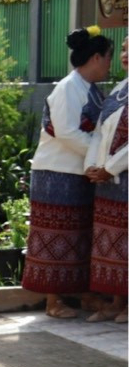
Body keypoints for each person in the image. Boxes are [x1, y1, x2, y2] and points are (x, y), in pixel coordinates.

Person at [24, 26, 113, 318]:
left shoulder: (89, 89)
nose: (111, 64)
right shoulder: (67, 87)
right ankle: (53, 301)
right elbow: (66, 132)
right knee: (57, 236)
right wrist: (101, 157)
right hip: (57, 174)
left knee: (79, 236)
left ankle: (84, 295)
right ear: (96, 57)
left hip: (79, 172)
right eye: (109, 57)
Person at [84, 41, 128, 322]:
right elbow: (100, 132)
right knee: (111, 242)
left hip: (122, 177)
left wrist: (110, 168)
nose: (125, 55)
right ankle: (115, 301)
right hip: (108, 181)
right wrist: (93, 165)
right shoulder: (118, 90)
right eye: (124, 49)